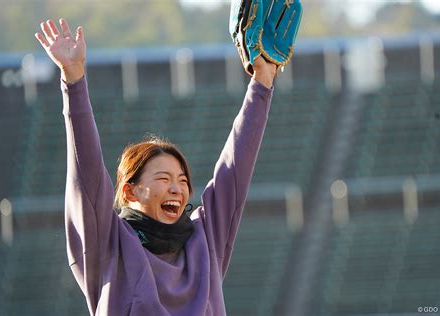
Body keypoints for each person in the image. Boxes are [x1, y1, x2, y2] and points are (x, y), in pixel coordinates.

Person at [35, 18, 276, 316]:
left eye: (182, 180)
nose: (177, 187)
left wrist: (262, 82)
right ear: (130, 191)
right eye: (163, 178)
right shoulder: (108, 244)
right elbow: (87, 174)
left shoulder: (205, 238)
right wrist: (73, 80)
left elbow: (234, 169)